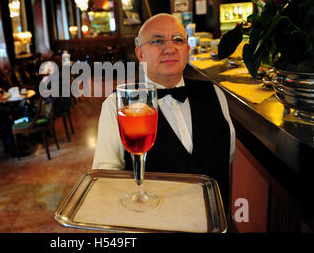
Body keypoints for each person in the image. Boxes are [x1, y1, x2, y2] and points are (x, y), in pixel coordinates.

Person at [92, 13, 235, 213]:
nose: (170, 48)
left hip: (215, 219)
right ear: (140, 54)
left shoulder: (216, 94)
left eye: (178, 40)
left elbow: (226, 158)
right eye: (157, 41)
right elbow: (105, 178)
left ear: (187, 49)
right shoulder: (116, 105)